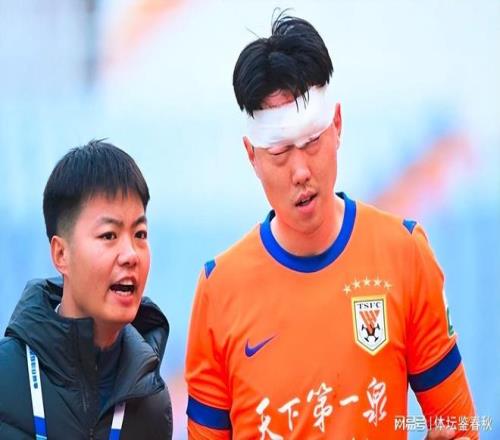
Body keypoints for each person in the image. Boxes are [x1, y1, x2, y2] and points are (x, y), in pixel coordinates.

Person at [185, 13, 476, 439]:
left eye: (312, 142)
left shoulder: (404, 253)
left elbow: (459, 425)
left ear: (337, 126)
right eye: (280, 152)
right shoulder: (219, 290)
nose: (301, 171)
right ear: (252, 156)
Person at [0, 141, 173, 439]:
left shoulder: (151, 403)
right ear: (61, 254)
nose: (130, 254)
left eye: (140, 234)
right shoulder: (6, 377)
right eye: (109, 235)